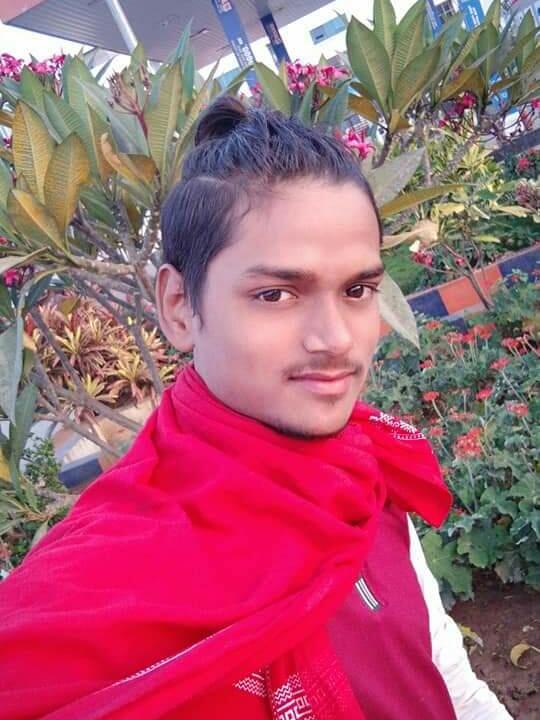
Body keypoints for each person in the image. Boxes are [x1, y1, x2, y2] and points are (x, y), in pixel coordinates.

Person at [0, 96, 512, 720]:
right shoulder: (90, 592)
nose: (336, 339)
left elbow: (451, 684)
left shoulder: (362, 471)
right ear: (180, 306)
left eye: (357, 290)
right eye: (275, 294)